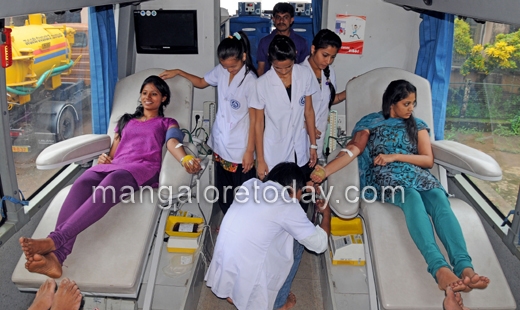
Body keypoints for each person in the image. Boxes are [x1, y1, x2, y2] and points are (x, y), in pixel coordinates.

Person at [310, 79, 489, 293]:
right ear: (391, 103)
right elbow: (354, 149)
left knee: (440, 199)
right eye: (406, 103)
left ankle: (465, 267)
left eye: (413, 103)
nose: (411, 108)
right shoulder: (371, 122)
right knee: (411, 197)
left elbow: (427, 160)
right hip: (386, 178)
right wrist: (325, 171)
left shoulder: (418, 125)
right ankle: (439, 268)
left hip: (417, 174)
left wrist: (395, 156)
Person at [20, 75, 202, 278]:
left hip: (141, 168)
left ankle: (54, 241)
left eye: (154, 94)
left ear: (164, 98)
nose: (148, 97)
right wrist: (105, 158)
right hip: (117, 165)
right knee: (81, 183)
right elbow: (114, 153)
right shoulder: (126, 121)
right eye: (144, 93)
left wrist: (185, 159)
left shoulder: (167, 122)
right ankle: (56, 258)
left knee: (109, 184)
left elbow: (172, 143)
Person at [204, 162, 331, 310]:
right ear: (294, 189)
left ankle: (234, 292)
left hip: (227, 263)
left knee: (269, 232)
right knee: (298, 241)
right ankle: (279, 303)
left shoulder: (250, 184)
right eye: (301, 192)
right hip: (251, 274)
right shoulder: (288, 205)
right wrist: (326, 214)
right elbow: (320, 244)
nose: (301, 197)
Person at [251, 34, 318, 309]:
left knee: (298, 216)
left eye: (287, 67)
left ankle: (286, 271)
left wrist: (313, 145)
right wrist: (259, 159)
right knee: (272, 218)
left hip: (299, 153)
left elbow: (309, 113)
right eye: (278, 68)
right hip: (274, 156)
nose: (283, 72)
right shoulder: (261, 84)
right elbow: (256, 124)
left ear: (295, 60)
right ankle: (267, 273)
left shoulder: (305, 75)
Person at [159, 31, 258, 214]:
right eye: (225, 66)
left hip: (240, 147)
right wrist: (179, 72)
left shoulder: (251, 82)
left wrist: (250, 151)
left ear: (243, 57)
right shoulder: (222, 70)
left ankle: (244, 231)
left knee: (244, 196)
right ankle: (228, 223)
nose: (229, 70)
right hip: (220, 143)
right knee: (224, 193)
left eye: (233, 66)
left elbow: (255, 120)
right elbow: (202, 82)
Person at [303, 29, 346, 159]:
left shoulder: (329, 72)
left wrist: (349, 90)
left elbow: (328, 100)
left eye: (332, 57)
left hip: (319, 136)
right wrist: (307, 125)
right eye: (325, 55)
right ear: (313, 49)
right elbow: (290, 109)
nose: (328, 61)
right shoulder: (299, 73)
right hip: (300, 135)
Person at [256, 2, 309, 76]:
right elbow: (261, 69)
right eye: (278, 17)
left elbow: (304, 70)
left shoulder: (301, 42)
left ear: (291, 20)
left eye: (285, 17)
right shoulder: (264, 42)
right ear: (273, 19)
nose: (281, 21)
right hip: (269, 84)